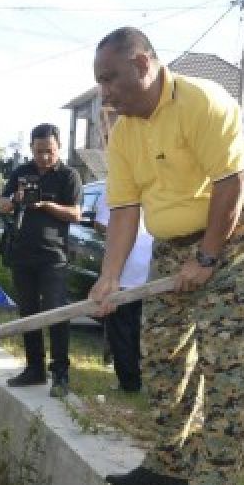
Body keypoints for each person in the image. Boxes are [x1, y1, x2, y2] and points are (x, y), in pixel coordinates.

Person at [89, 27, 244, 485]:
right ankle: (169, 467)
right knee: (162, 353)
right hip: (174, 247)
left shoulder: (200, 101)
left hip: (233, 237)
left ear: (144, 64)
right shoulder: (123, 130)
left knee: (226, 361)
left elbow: (231, 183)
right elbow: (124, 209)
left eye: (111, 78)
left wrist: (209, 257)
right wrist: (108, 279)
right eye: (98, 81)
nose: (104, 91)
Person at [0, 124, 83, 397]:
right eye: (39, 151)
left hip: (53, 256)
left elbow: (75, 214)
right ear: (31, 148)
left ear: (58, 148)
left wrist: (45, 205)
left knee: (57, 313)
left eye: (50, 151)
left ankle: (60, 374)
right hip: (22, 254)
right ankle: (35, 369)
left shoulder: (69, 175)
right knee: (28, 313)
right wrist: (13, 200)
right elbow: (2, 202)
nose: (44, 157)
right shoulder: (21, 172)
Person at [95, 105, 152, 394]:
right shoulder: (145, 174)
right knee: (144, 330)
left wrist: (108, 273)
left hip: (128, 270)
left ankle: (130, 383)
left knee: (123, 331)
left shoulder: (117, 180)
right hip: (148, 268)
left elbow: (108, 225)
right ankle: (143, 382)